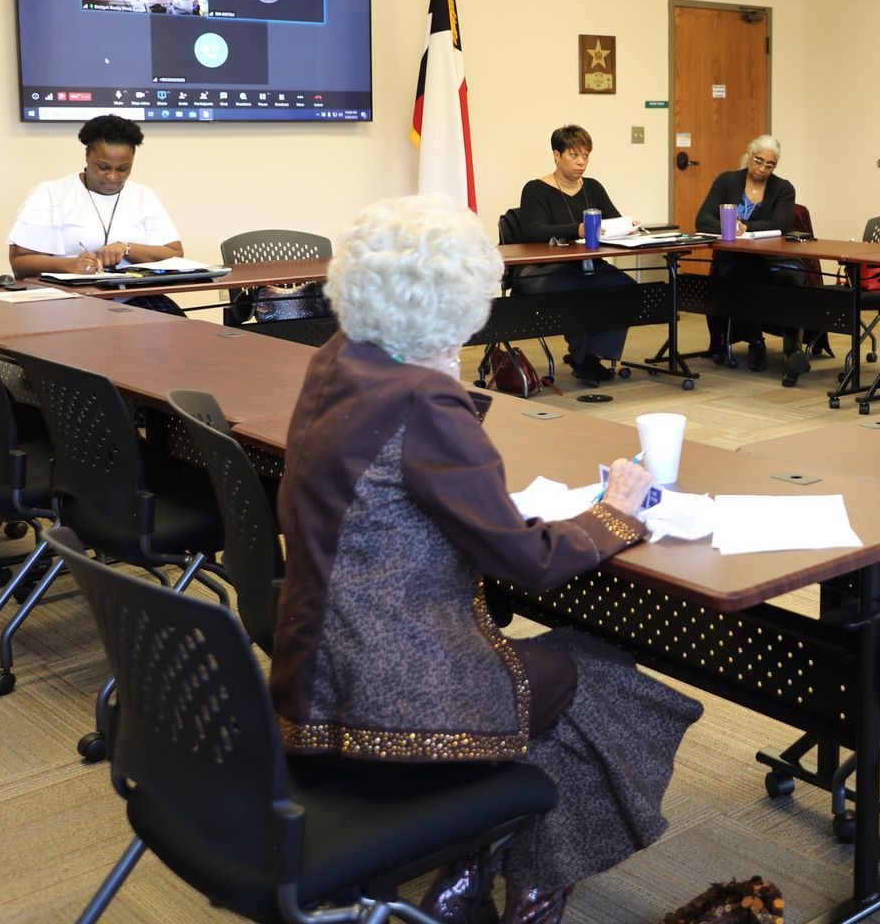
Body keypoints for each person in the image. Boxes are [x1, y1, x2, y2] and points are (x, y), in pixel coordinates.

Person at [271, 195, 701, 924]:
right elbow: (528, 564)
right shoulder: (423, 400)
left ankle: (469, 869)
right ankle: (531, 886)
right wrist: (613, 513)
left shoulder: (337, 360)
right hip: (392, 694)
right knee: (600, 678)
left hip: (313, 677)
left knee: (555, 662)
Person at [514, 125, 635, 385]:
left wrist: (628, 227)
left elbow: (613, 220)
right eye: (574, 155)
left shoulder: (593, 187)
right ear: (557, 155)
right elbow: (534, 231)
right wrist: (576, 229)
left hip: (587, 265)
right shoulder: (535, 189)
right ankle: (584, 360)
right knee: (579, 293)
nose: (581, 163)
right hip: (543, 270)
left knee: (629, 290)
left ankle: (589, 355)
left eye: (586, 156)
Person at [7, 114, 184, 278]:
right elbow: (20, 264)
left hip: (133, 294)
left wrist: (126, 248)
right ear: (87, 156)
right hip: (71, 299)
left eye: (123, 169)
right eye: (103, 167)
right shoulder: (51, 193)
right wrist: (70, 265)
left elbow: (175, 254)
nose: (113, 177)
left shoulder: (143, 195)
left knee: (168, 314)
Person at [694, 134, 805, 377]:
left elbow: (781, 224)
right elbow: (703, 219)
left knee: (793, 280)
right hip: (738, 258)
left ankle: (792, 347)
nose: (762, 169)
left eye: (770, 165)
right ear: (749, 155)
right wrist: (730, 227)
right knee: (738, 278)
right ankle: (755, 342)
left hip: (776, 258)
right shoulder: (727, 181)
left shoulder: (783, 188)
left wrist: (742, 225)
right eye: (758, 161)